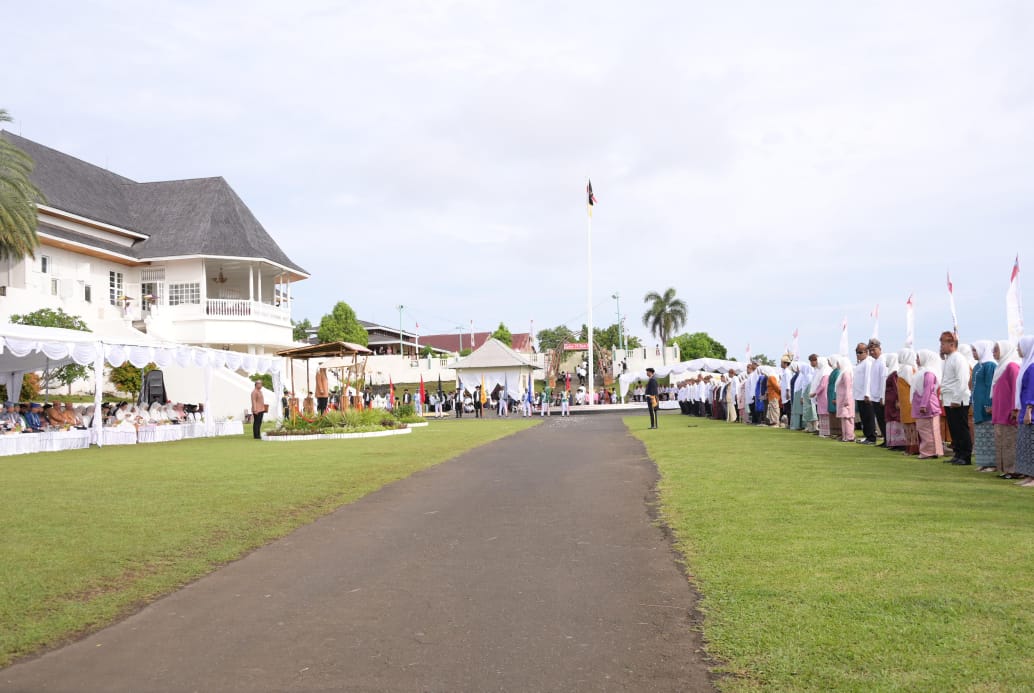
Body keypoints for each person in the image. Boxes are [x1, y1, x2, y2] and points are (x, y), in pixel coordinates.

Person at [939, 331, 973, 465]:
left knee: (961, 428)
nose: (941, 346)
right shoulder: (949, 359)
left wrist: (957, 399)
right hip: (949, 398)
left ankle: (965, 456)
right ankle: (958, 453)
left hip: (958, 399)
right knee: (954, 429)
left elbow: (962, 380)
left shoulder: (958, 358)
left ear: (952, 344)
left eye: (943, 344)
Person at [991, 340, 1022, 479]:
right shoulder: (1000, 367)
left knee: (1010, 441)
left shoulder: (1011, 366)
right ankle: (1005, 469)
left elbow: (1016, 389)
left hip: (1008, 411)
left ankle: (1013, 470)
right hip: (999, 411)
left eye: (996, 349)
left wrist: (1015, 408)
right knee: (1001, 441)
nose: (994, 352)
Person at [912, 349, 945, 459]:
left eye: (918, 357)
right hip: (921, 403)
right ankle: (930, 451)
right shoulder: (922, 372)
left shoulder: (929, 373)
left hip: (927, 405)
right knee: (923, 428)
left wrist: (923, 405)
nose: (916, 360)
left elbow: (928, 389)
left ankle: (929, 452)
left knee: (929, 429)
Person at [970, 340, 997, 472]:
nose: (973, 353)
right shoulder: (977, 366)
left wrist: (989, 403)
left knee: (989, 435)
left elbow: (990, 386)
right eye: (973, 350)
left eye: (975, 350)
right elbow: (973, 386)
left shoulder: (990, 365)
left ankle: (992, 464)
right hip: (977, 404)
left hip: (985, 405)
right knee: (980, 435)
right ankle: (983, 462)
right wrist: (972, 401)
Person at [1014, 336, 1034, 486]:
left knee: (1032, 445)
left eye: (1019, 346)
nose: (1017, 349)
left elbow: (1032, 391)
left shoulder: (1032, 367)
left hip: (1030, 411)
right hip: (1024, 410)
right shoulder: (1026, 365)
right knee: (1025, 445)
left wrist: (1028, 409)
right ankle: (1029, 475)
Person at [896, 348, 920, 456]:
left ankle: (913, 448)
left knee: (911, 424)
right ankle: (909, 447)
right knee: (906, 424)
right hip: (904, 400)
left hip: (909, 400)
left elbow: (912, 384)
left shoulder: (907, 368)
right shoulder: (903, 368)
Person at [853, 342, 877, 445]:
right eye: (856, 352)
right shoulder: (860, 363)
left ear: (866, 352)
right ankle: (867, 436)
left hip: (865, 395)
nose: (858, 354)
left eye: (860, 352)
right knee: (863, 417)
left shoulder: (868, 363)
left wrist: (867, 394)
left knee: (868, 417)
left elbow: (868, 379)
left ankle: (871, 437)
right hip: (859, 395)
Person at [835, 356, 855, 441]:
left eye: (838, 363)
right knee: (844, 417)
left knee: (847, 418)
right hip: (842, 398)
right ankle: (845, 436)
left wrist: (847, 399)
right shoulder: (843, 373)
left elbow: (848, 388)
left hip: (846, 399)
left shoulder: (846, 373)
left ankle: (849, 436)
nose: (837, 365)